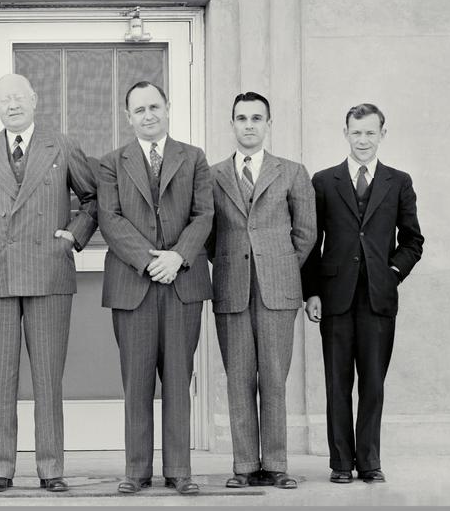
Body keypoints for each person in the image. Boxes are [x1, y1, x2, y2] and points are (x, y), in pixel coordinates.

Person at [0, 73, 99, 494]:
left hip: (49, 271)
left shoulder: (63, 146)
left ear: (35, 100)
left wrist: (73, 234)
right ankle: (0, 467)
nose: (13, 104)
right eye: (4, 100)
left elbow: (93, 201)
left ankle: (51, 467)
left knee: (48, 378)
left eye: (19, 97)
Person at [96, 81, 213, 496]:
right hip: (134, 284)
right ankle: (136, 470)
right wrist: (149, 260)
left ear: (168, 109)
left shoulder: (194, 159)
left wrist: (177, 257)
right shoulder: (112, 163)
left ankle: (180, 470)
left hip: (182, 283)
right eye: (139, 109)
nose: (148, 115)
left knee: (179, 379)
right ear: (128, 117)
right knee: (137, 381)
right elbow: (110, 219)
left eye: (155, 107)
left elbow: (204, 215)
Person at [301, 104, 424, 485]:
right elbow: (310, 242)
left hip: (377, 297)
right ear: (345, 133)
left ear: (383, 134)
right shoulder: (324, 181)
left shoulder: (398, 181)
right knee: (338, 383)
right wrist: (312, 293)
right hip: (335, 297)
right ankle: (340, 463)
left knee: (373, 382)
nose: (363, 140)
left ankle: (369, 461)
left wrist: (391, 273)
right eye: (357, 132)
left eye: (371, 133)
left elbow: (413, 241)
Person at [206, 92, 316, 490]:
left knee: (273, 377)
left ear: (269, 124)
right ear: (231, 124)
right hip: (232, 288)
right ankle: (245, 467)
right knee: (238, 379)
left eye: (256, 118)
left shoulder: (292, 172)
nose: (248, 125)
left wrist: (279, 267)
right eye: (241, 118)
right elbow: (208, 235)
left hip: (277, 291)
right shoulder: (214, 175)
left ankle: (276, 464)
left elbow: (306, 234)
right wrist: (232, 263)